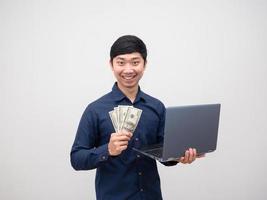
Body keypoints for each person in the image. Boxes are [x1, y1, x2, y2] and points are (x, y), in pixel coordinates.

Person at [70, 35, 204, 200]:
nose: (128, 69)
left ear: (144, 64)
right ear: (111, 64)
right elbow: (76, 158)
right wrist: (108, 150)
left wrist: (178, 156)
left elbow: (163, 153)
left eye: (135, 62)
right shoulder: (95, 110)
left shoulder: (156, 107)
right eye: (121, 62)